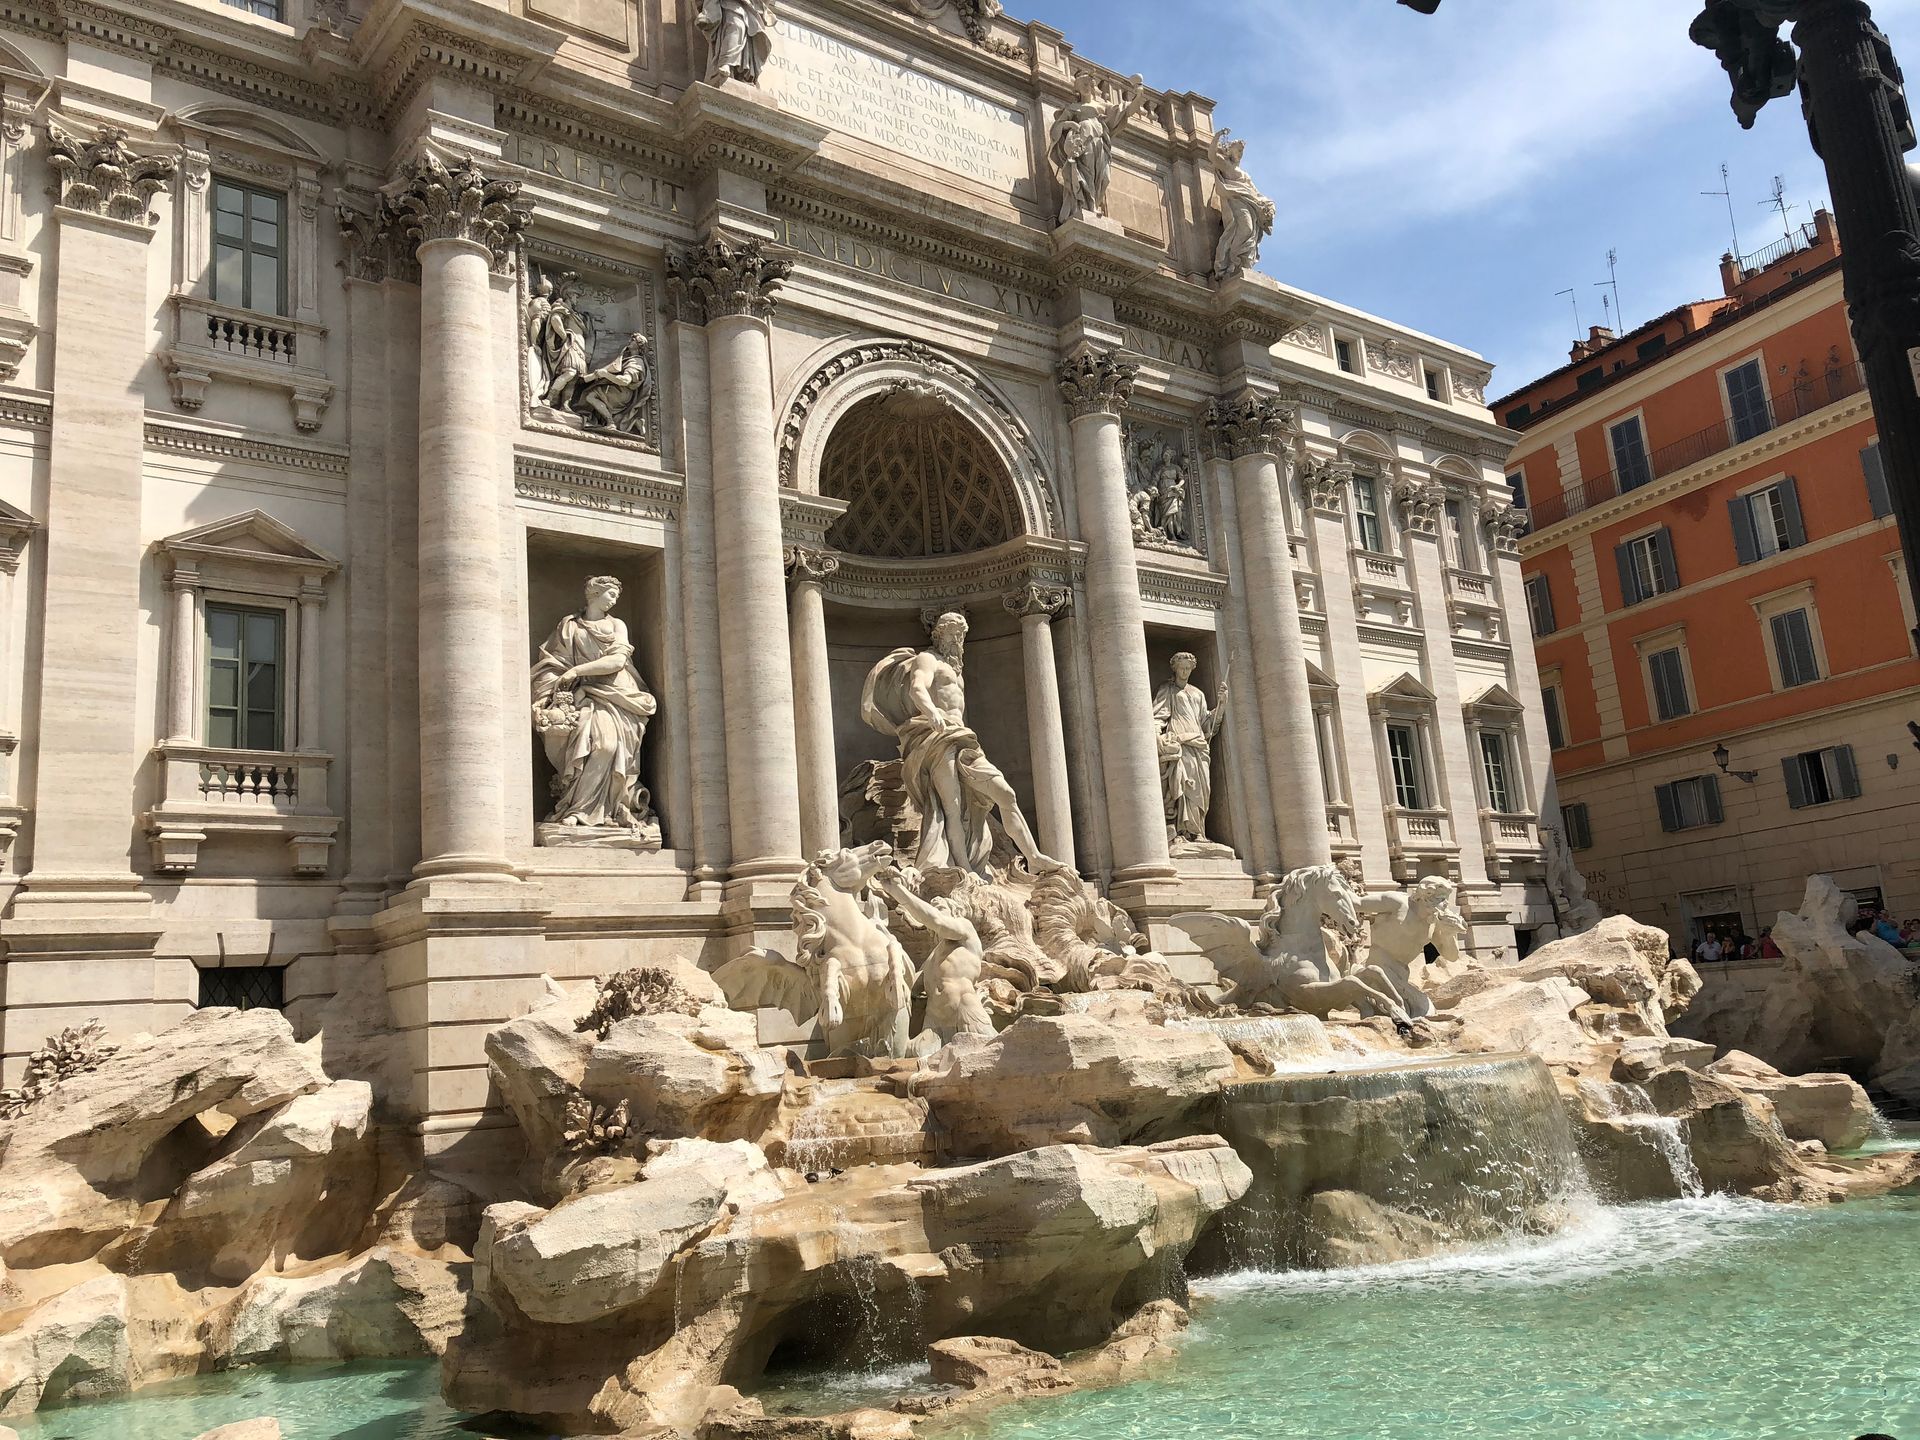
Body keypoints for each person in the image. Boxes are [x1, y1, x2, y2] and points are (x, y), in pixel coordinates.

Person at [860, 612, 1059, 878]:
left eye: (960, 635)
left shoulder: (955, 670)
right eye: (952, 634)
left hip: (963, 738)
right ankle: (963, 870)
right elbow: (917, 688)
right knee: (951, 808)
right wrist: (931, 712)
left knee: (1005, 794)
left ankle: (1033, 857)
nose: (956, 640)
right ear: (938, 635)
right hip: (935, 738)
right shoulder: (927, 659)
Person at [530, 575, 658, 830]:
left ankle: (607, 809)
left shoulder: (618, 625)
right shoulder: (569, 627)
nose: (614, 600)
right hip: (585, 696)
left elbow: (617, 662)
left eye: (617, 597)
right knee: (594, 745)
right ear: (594, 595)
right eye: (610, 594)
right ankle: (579, 809)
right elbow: (552, 663)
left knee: (608, 747)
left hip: (619, 694)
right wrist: (557, 684)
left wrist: (576, 671)